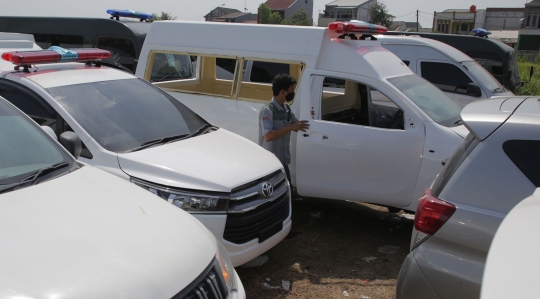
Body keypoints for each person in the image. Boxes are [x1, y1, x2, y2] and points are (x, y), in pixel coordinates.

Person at [259, 73, 309, 185]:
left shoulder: (286, 108)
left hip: (283, 161)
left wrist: (309, 115)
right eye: (291, 91)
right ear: (283, 92)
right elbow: (268, 136)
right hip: (270, 163)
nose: (292, 93)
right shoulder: (267, 110)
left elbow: (297, 125)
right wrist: (291, 127)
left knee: (287, 191)